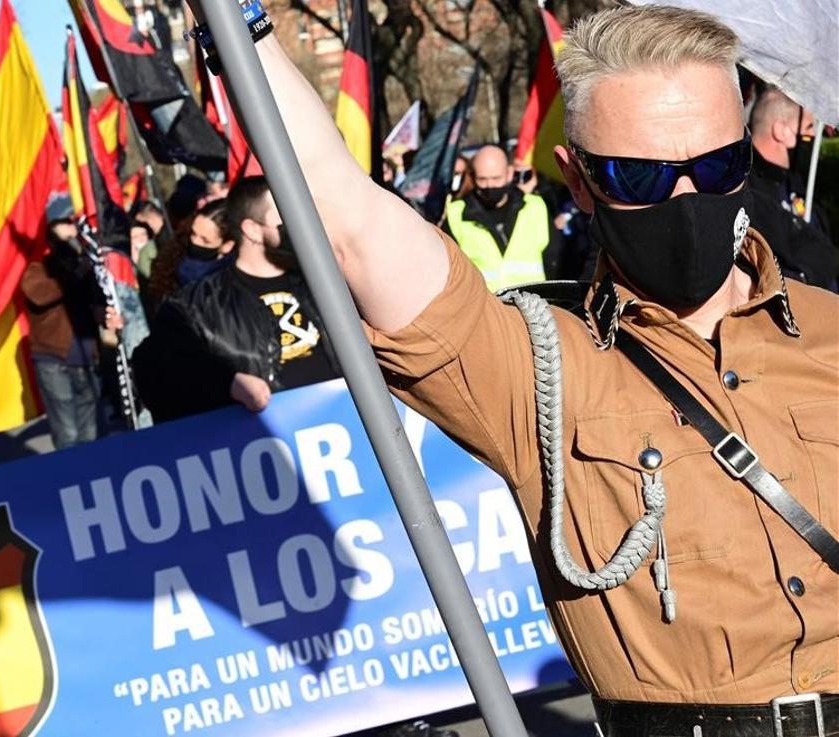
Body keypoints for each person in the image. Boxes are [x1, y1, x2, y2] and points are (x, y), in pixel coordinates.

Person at [187, 1, 837, 732]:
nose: (686, 198)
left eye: (716, 165)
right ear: (580, 180)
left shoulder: (832, 328)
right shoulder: (534, 367)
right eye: (641, 177)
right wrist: (239, 24)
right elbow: (350, 223)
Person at [133, 176, 340, 422]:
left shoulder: (325, 282)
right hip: (266, 445)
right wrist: (225, 383)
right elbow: (153, 372)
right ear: (252, 230)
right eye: (284, 217)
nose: (296, 223)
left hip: (347, 432)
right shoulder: (196, 305)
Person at [19, 219, 107, 449]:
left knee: (92, 428)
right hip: (52, 357)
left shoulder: (86, 268)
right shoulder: (38, 268)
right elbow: (39, 295)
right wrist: (74, 275)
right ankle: (71, 477)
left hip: (85, 354)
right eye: (64, 240)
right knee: (67, 430)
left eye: (73, 239)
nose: (71, 246)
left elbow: (99, 301)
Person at [748, 86, 836, 289]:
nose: (814, 135)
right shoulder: (748, 190)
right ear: (781, 131)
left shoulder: (793, 183)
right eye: (808, 127)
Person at [442, 144, 562, 291]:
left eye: (496, 178)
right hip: (485, 307)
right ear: (473, 176)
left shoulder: (534, 206)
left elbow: (555, 259)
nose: (489, 185)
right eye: (482, 179)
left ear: (510, 173)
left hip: (534, 306)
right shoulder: (456, 213)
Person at [145, 198, 232, 307]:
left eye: (205, 240)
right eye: (193, 233)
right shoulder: (173, 255)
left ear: (227, 246)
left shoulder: (227, 286)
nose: (195, 242)